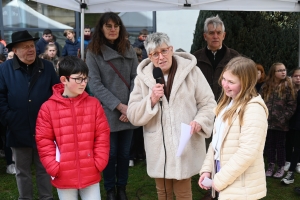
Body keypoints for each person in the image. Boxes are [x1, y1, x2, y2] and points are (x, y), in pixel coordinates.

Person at [127, 32, 216, 200]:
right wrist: (151, 100)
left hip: (185, 145)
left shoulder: (192, 72)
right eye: (155, 54)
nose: (161, 57)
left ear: (171, 49)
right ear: (149, 56)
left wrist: (199, 121)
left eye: (164, 51)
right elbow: (132, 114)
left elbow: (208, 103)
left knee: (183, 193)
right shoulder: (143, 78)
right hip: (158, 147)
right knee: (163, 193)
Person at [35, 56, 110, 200]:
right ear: (64, 80)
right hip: (63, 174)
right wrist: (54, 166)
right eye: (79, 79)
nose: (84, 83)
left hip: (90, 171)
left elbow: (102, 135)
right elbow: (44, 140)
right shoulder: (48, 108)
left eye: (86, 78)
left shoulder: (93, 104)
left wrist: (99, 162)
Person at [0, 30, 59, 200]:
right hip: (17, 128)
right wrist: (9, 118)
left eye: (31, 45)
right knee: (22, 170)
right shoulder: (4, 69)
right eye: (25, 47)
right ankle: (25, 198)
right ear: (15, 51)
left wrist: (51, 118)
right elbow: (0, 97)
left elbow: (56, 93)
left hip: (45, 129)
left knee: (45, 168)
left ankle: (46, 198)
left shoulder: (46, 67)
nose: (30, 49)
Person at [199, 56, 268, 199]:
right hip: (225, 176)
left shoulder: (254, 109)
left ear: (246, 83)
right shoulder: (226, 104)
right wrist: (207, 169)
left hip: (242, 186)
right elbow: (216, 142)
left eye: (231, 82)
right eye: (224, 79)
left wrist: (219, 180)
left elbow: (247, 152)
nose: (224, 85)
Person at [86, 12, 138, 200]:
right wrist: (119, 106)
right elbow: (95, 84)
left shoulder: (129, 49)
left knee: (124, 153)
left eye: (116, 25)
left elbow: (136, 78)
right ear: (101, 28)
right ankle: (110, 190)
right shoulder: (93, 51)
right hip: (107, 110)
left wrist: (130, 105)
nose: (113, 29)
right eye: (108, 26)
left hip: (129, 109)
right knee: (110, 153)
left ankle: (121, 188)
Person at [260, 63, 296, 179]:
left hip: (281, 123)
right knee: (270, 145)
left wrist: (284, 117)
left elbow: (292, 104)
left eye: (284, 70)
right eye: (280, 70)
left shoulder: (288, 85)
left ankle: (280, 166)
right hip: (267, 122)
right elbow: (259, 100)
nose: (283, 72)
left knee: (280, 145)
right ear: (273, 73)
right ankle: (271, 165)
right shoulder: (266, 85)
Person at [193, 15, 239, 101]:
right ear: (205, 36)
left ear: (223, 35)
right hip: (202, 107)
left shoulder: (234, 58)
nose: (215, 36)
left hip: (227, 107)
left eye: (218, 33)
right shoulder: (195, 59)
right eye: (211, 33)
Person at [281, 67, 300, 185]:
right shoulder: (287, 89)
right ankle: (289, 163)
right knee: (290, 142)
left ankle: (294, 167)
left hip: (298, 122)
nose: (298, 78)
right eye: (296, 76)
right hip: (289, 120)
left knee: (297, 146)